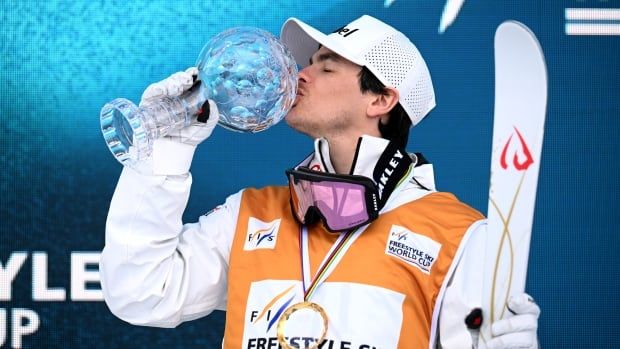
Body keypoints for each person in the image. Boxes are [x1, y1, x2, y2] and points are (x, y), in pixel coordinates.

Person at [100, 15, 540, 349]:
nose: (300, 75)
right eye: (307, 63)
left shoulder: (458, 237)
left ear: (382, 98)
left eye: (326, 67)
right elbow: (140, 292)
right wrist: (166, 153)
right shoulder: (252, 213)